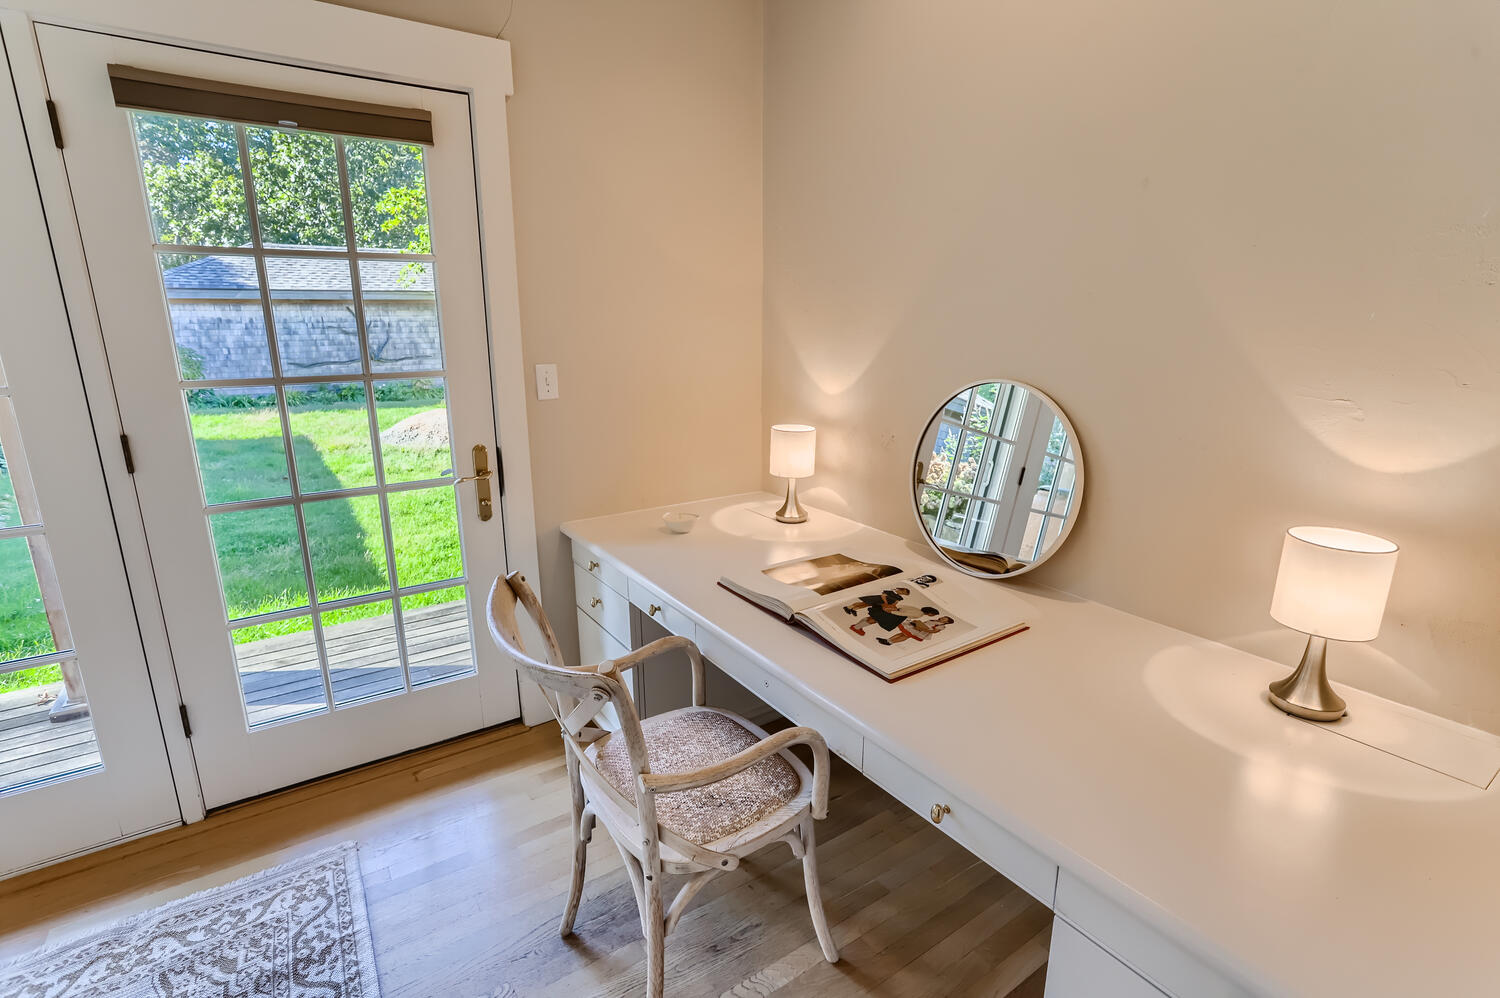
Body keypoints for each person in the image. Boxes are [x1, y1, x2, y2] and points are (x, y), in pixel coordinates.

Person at [878, 614, 956, 646]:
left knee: (906, 636)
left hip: (922, 631)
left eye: (944, 619)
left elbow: (933, 631)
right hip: (918, 628)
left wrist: (921, 628)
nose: (942, 618)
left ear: (946, 622)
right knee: (902, 633)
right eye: (943, 617)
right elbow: (925, 623)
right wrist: (916, 623)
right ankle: (888, 640)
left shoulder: (941, 626)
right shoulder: (934, 620)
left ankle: (890, 642)